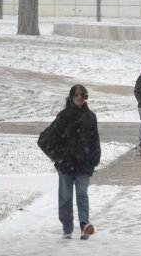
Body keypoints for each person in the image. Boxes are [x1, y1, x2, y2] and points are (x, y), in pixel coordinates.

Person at [38, 84, 101, 240]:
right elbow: (45, 138)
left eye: (81, 94)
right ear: (72, 97)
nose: (79, 97)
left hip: (83, 165)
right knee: (65, 197)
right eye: (76, 95)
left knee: (82, 195)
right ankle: (67, 228)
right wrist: (56, 156)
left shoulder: (90, 117)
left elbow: (95, 141)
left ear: (85, 97)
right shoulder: (64, 116)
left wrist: (94, 159)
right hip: (65, 165)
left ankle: (84, 226)